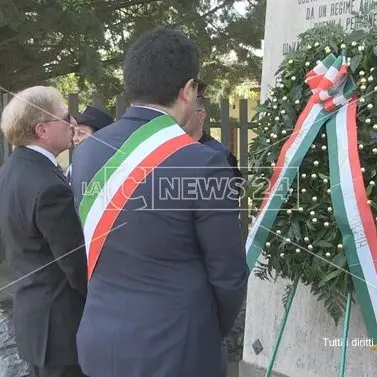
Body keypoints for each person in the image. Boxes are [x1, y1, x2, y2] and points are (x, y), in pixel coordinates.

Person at [71, 28, 249, 377]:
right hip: (178, 351)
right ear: (188, 90)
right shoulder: (204, 162)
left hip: (101, 343)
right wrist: (208, 331)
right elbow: (229, 275)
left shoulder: (87, 152)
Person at [0, 86, 87, 377]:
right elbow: (76, 265)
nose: (73, 123)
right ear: (42, 129)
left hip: (33, 319)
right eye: (65, 117)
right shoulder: (47, 185)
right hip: (61, 328)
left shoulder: (9, 171)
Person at [184, 95, 243, 182]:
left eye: (186, 112)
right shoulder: (169, 149)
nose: (179, 117)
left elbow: (232, 191)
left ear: (201, 116)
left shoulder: (221, 153)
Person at [66, 106, 113, 183]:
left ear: (99, 136)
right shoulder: (73, 168)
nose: (75, 139)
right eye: (74, 133)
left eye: (81, 133)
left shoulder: (112, 169)